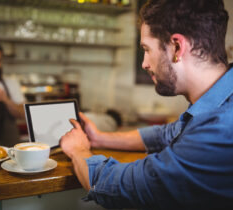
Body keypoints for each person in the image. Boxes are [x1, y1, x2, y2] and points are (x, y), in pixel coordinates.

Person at [60, 0, 233, 209]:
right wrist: (100, 138)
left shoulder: (219, 128)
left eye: (147, 49)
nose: (144, 63)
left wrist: (78, 150)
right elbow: (166, 134)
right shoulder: (217, 107)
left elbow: (120, 186)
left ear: (177, 47)